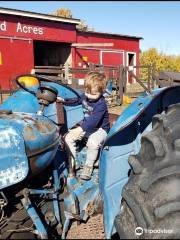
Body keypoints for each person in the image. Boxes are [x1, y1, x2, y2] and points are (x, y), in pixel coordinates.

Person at [64, 71, 110, 180]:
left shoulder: (101, 104)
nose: (88, 96)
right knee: (68, 137)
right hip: (87, 127)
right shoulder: (85, 96)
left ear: (102, 92)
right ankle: (73, 162)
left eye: (93, 94)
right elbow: (76, 100)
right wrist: (63, 100)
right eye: (87, 92)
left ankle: (88, 166)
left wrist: (80, 129)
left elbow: (94, 121)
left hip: (100, 129)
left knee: (92, 142)